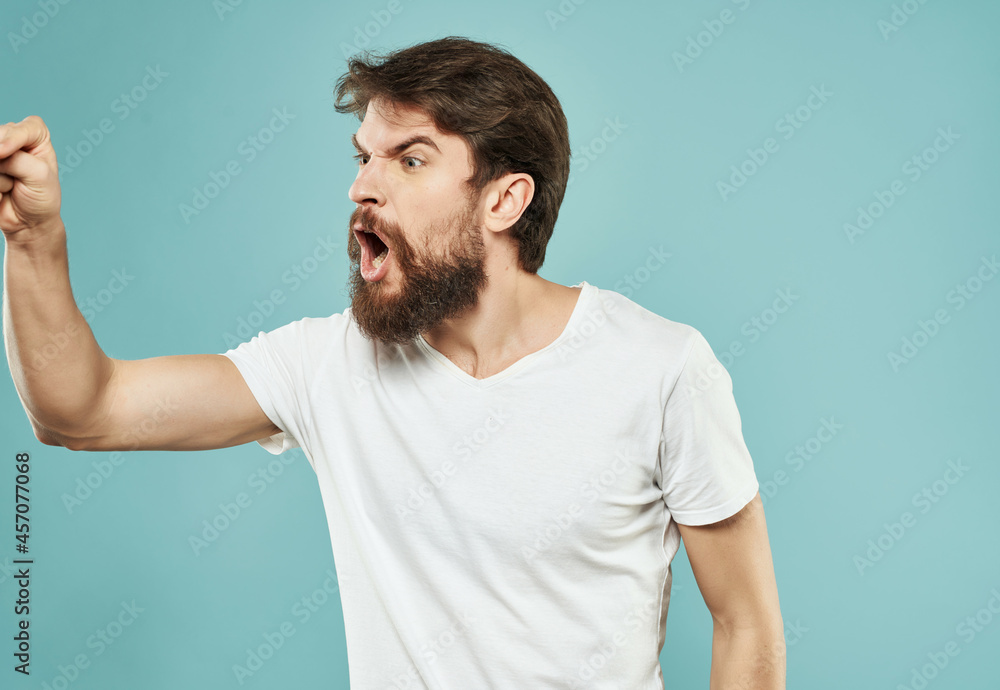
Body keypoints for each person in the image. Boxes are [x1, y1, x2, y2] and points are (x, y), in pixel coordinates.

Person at [1, 36, 785, 689]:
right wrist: (34, 240)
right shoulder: (328, 363)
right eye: (363, 158)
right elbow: (83, 410)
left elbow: (745, 621)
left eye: (409, 161)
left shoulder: (661, 368)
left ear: (505, 201)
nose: (361, 188)